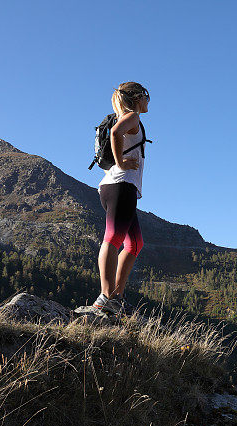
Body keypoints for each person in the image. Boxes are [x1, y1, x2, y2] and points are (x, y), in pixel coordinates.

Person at [93, 81, 150, 315]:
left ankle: (116, 296)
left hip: (117, 187)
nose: (148, 101)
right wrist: (121, 162)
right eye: (146, 96)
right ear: (137, 97)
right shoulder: (132, 117)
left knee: (135, 244)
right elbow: (116, 133)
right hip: (120, 186)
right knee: (114, 238)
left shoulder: (126, 117)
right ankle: (105, 297)